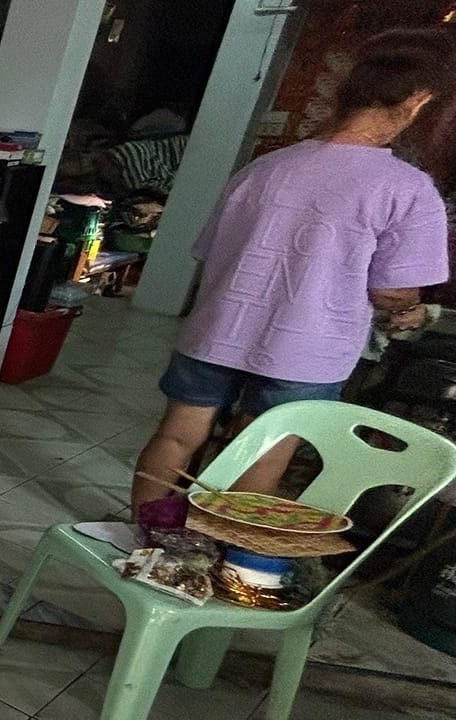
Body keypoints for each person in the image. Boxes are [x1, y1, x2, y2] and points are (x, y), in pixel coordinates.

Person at [132, 28, 454, 508]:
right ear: (419, 102)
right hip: (306, 348)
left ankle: (144, 532)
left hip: (219, 330)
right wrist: (407, 307)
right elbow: (392, 291)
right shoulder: (407, 188)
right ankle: (217, 549)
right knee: (262, 450)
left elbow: (211, 251)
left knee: (176, 436)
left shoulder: (264, 168)